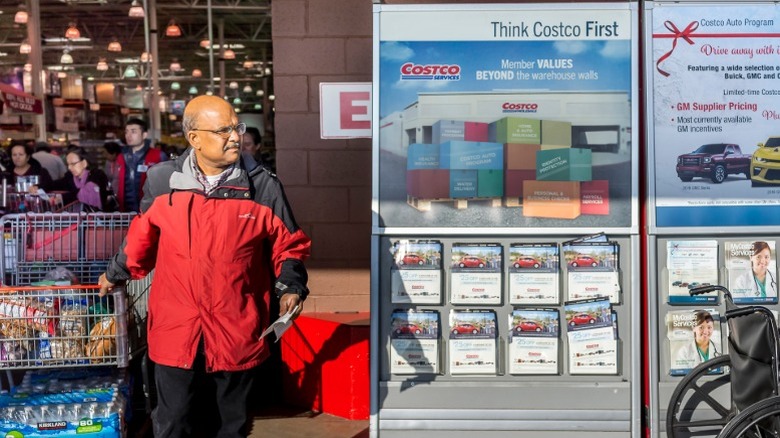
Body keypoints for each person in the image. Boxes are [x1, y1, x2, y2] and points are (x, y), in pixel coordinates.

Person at [98, 95, 311, 437]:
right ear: (194, 138)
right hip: (176, 327)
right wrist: (115, 273)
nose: (235, 137)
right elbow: (141, 239)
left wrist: (291, 285)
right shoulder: (162, 181)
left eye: (237, 128)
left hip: (236, 327)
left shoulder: (261, 185)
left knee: (230, 426)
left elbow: (289, 245)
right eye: (223, 130)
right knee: (174, 423)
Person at [116, 118, 167, 212]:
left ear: (144, 135)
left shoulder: (158, 156)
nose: (128, 135)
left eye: (133, 132)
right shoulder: (121, 157)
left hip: (151, 210)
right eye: (126, 132)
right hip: (125, 212)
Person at [47, 147, 113, 211]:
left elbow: (85, 193)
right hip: (80, 217)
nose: (69, 167)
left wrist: (61, 198)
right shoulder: (71, 178)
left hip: (102, 216)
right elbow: (54, 184)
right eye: (68, 164)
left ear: (84, 163)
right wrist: (42, 187)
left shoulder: (97, 175)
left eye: (73, 164)